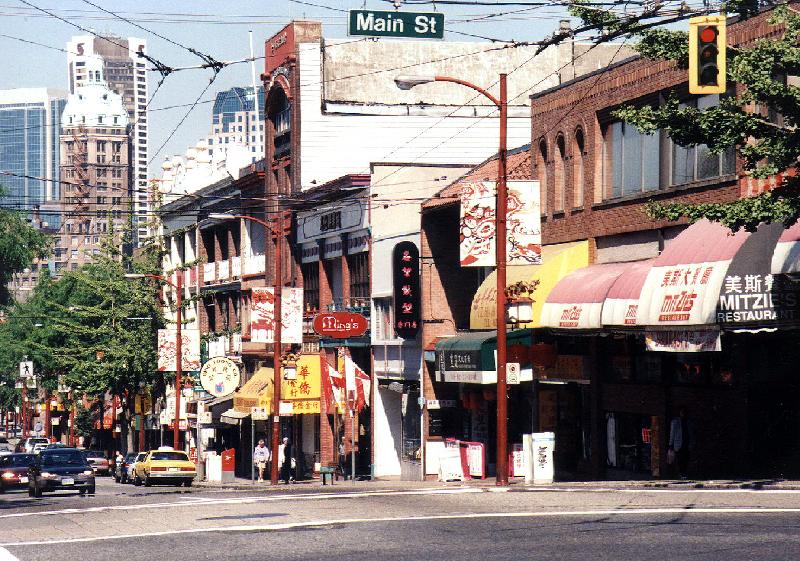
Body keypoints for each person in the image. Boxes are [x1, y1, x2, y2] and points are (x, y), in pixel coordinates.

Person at [669, 407, 691, 479]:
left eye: (684, 412)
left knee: (686, 459)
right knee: (680, 459)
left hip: (686, 443)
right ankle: (681, 473)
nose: (683, 414)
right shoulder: (675, 422)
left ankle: (684, 473)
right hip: (678, 444)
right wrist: (671, 445)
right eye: (682, 412)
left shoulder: (688, 421)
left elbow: (691, 433)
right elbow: (672, 433)